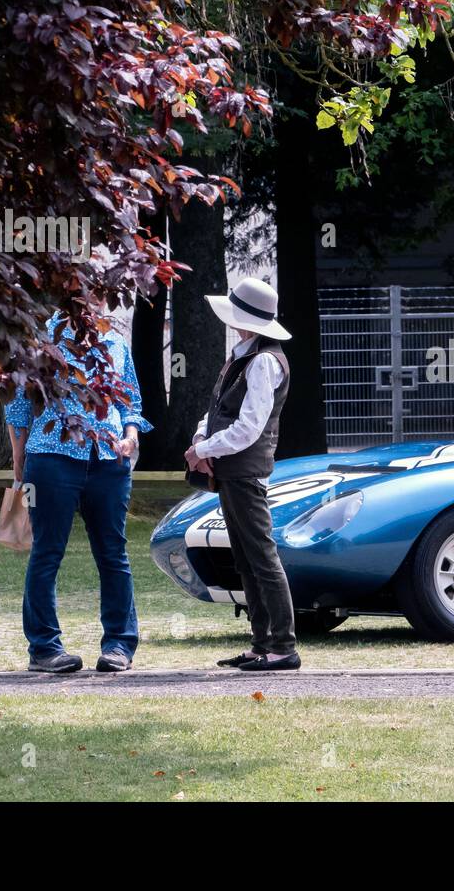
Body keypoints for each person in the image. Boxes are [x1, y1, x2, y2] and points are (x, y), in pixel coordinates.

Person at [6, 313, 150, 673]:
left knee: (113, 553)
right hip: (52, 456)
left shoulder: (114, 339)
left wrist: (131, 437)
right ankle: (44, 648)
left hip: (108, 458)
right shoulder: (42, 335)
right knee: (47, 552)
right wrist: (18, 454)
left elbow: (129, 399)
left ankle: (119, 644)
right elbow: (19, 403)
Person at [185, 278, 298, 672]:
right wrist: (202, 437)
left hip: (246, 473)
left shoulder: (264, 360)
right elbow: (218, 411)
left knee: (262, 558)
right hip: (234, 472)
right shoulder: (245, 355)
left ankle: (283, 646)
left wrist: (202, 450)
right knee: (247, 560)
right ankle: (263, 642)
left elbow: (249, 428)